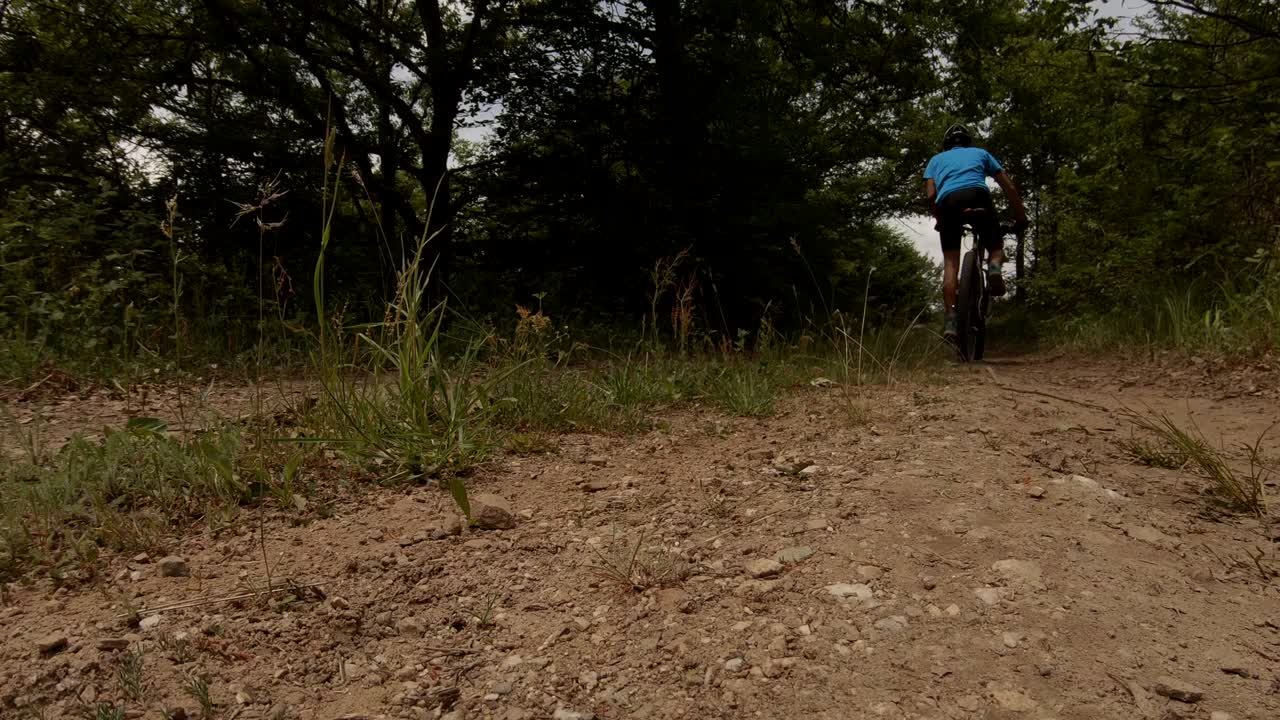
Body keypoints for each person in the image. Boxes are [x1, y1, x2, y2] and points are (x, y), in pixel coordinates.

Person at [923, 124, 1028, 340]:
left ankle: (951, 320)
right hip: (978, 197)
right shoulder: (981, 153)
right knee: (996, 247)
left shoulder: (935, 160)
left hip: (948, 203)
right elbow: (1009, 187)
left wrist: (940, 219)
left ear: (947, 144)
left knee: (951, 263)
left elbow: (931, 195)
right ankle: (994, 269)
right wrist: (1021, 218)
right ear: (967, 141)